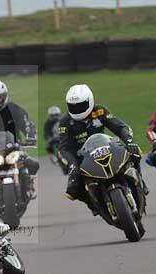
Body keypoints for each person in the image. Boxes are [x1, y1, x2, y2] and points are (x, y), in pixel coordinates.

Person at [59, 84, 147, 214]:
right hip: (82, 157)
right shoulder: (65, 121)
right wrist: (72, 164)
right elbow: (63, 148)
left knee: (135, 153)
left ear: (90, 101)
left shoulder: (99, 111)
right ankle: (93, 203)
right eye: (73, 107)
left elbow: (120, 126)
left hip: (105, 147)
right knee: (73, 189)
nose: (77, 110)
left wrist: (129, 141)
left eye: (81, 106)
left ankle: (140, 182)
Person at [44, 105, 70, 174]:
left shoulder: (64, 120)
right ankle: (53, 158)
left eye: (56, 115)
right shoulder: (48, 123)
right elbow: (46, 133)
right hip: (55, 139)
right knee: (48, 146)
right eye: (53, 115)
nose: (55, 117)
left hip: (65, 138)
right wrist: (49, 139)